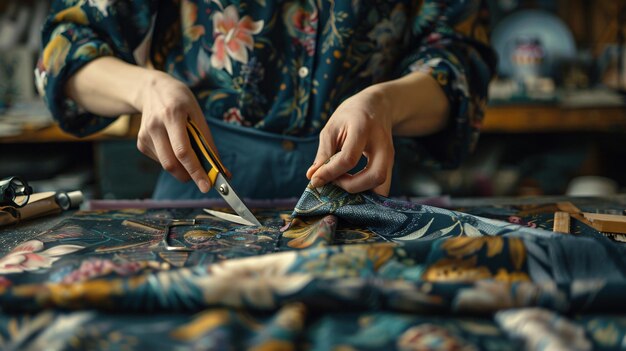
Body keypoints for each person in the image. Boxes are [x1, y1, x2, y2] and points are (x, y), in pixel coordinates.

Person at [36, 0, 495, 200]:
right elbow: (66, 51)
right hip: (202, 188)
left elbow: (458, 65)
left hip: (366, 191)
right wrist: (146, 88)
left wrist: (386, 104)